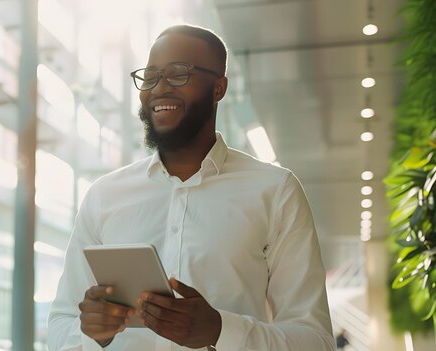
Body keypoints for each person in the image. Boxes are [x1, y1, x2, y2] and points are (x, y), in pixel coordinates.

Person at [47, 24, 335, 350]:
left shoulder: (275, 191)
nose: (158, 89)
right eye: (151, 76)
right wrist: (90, 333)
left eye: (178, 74)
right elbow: (59, 327)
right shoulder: (104, 196)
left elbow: (316, 341)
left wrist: (220, 331)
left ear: (219, 88)